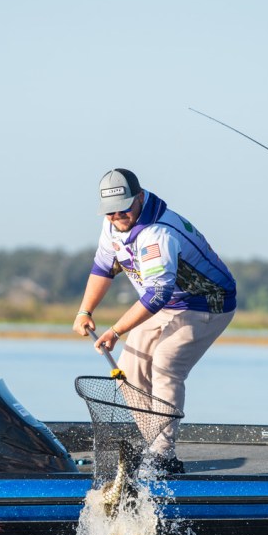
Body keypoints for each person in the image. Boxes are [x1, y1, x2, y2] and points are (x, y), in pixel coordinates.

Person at [73, 168, 237, 475]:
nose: (117, 216)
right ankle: (155, 444)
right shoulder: (112, 225)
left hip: (206, 303)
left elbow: (157, 295)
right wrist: (85, 311)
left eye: (123, 209)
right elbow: (102, 268)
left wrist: (115, 331)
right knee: (128, 369)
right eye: (110, 211)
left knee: (165, 363)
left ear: (139, 197)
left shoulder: (158, 234)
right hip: (164, 301)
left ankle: (163, 456)